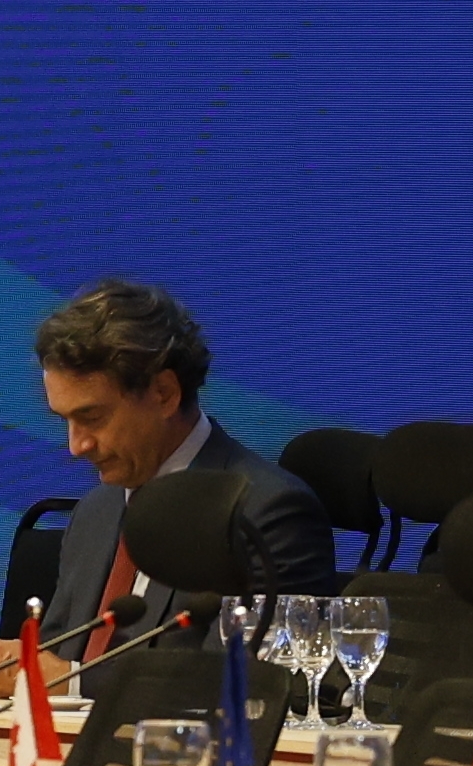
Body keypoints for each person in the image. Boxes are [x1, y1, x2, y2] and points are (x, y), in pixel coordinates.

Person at [33, 278, 340, 657]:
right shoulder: (95, 512)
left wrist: (71, 683)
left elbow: (237, 679)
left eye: (92, 417)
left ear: (164, 393)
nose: (76, 446)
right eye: (64, 420)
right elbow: (54, 658)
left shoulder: (265, 515)